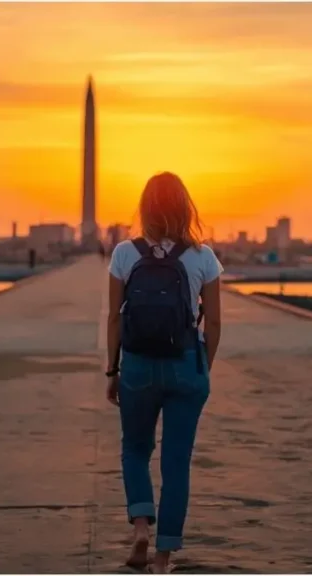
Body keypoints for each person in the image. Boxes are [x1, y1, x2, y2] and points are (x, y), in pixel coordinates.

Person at [105, 171, 223, 573]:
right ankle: (162, 556)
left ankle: (141, 525)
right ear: (184, 207)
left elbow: (114, 319)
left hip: (137, 364)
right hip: (186, 365)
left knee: (135, 450)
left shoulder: (125, 252)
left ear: (145, 207)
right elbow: (216, 325)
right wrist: (200, 370)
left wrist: (112, 371)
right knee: (177, 462)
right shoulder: (203, 257)